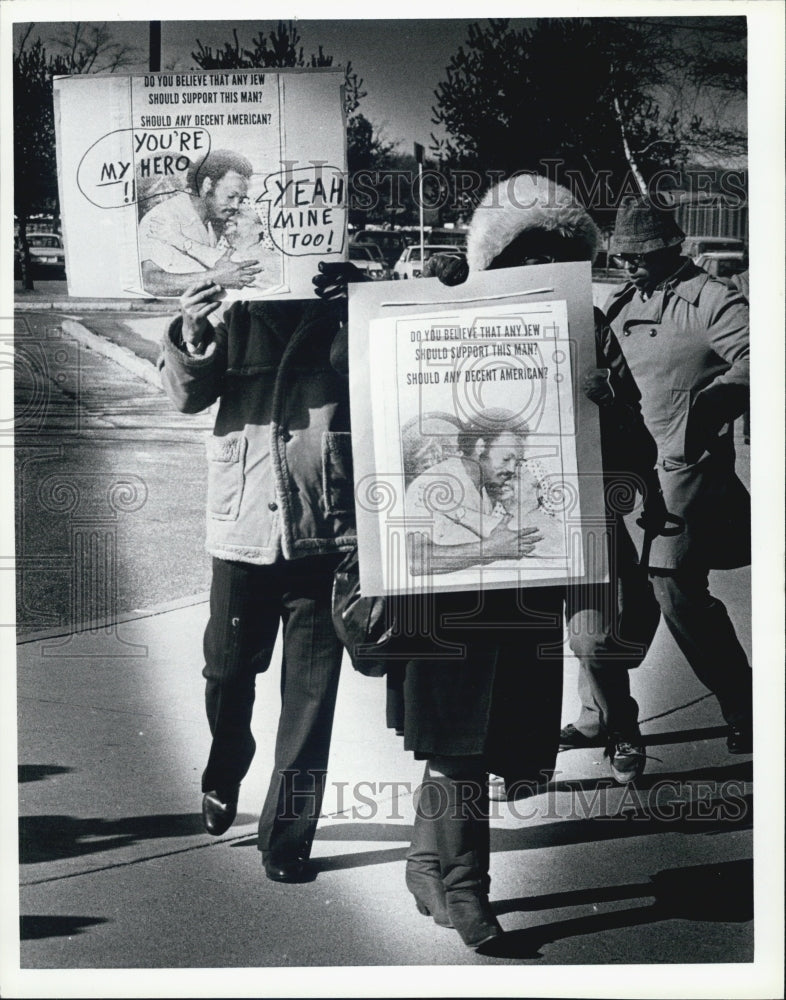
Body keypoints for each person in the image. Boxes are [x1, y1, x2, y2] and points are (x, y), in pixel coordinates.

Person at [433, 175, 664, 787]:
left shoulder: (587, 320)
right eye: (521, 254)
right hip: (504, 514)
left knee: (592, 640)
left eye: (549, 253)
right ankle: (518, 760)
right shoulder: (467, 315)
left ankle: (622, 725)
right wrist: (439, 283)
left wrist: (608, 400)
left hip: (582, 503)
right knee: (517, 651)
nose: (536, 264)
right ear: (499, 259)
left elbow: (633, 420)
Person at [158, 274, 356, 884]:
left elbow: (383, 383)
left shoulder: (346, 302)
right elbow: (187, 399)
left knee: (312, 697)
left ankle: (288, 836)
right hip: (243, 525)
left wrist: (355, 309)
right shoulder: (234, 307)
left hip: (324, 526)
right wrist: (192, 331)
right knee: (226, 669)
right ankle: (228, 757)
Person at [603, 195, 752, 754]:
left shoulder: (713, 300)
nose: (629, 263)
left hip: (682, 469)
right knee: (612, 593)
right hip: (624, 469)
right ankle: (601, 714)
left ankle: (743, 703)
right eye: (624, 254)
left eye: (640, 254)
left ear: (670, 248)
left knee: (676, 588)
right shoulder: (619, 303)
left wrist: (713, 405)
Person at [404, 410, 543, 575]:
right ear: (480, 447)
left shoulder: (487, 487)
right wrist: (490, 549)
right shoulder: (434, 483)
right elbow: (415, 560)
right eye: (506, 458)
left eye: (517, 461)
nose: (512, 469)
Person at [139, 150, 264, 296]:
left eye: (240, 200)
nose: (235, 206)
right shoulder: (163, 217)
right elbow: (149, 281)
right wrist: (214, 278)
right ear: (207, 185)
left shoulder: (217, 220)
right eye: (231, 196)